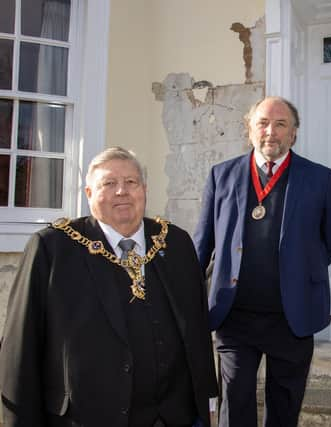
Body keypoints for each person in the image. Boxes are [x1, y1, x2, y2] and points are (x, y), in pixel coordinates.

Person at [0, 147, 218, 427]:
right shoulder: (53, 248)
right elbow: (22, 345)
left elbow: (197, 331)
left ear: (144, 190)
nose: (122, 191)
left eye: (131, 182)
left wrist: (208, 402)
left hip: (174, 417)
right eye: (109, 183)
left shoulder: (175, 243)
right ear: (89, 193)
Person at [193, 96, 331, 426]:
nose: (270, 132)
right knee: (235, 406)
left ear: (294, 133)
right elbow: (202, 243)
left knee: (285, 408)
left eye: (281, 124)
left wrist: (301, 267)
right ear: (248, 128)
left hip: (292, 318)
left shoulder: (320, 179)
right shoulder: (221, 175)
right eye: (263, 123)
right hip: (235, 317)